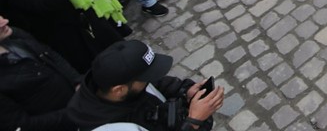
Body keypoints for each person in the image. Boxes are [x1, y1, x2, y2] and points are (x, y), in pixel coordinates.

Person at [68, 39, 225, 131]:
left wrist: (185, 92)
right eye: (145, 78)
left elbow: (160, 83)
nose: (149, 80)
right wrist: (193, 122)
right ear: (119, 90)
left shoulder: (120, 82)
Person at [0, 13, 82, 130]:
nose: (5, 21)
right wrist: (74, 113)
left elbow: (49, 55)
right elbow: (21, 125)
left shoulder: (14, 35)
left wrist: (77, 82)